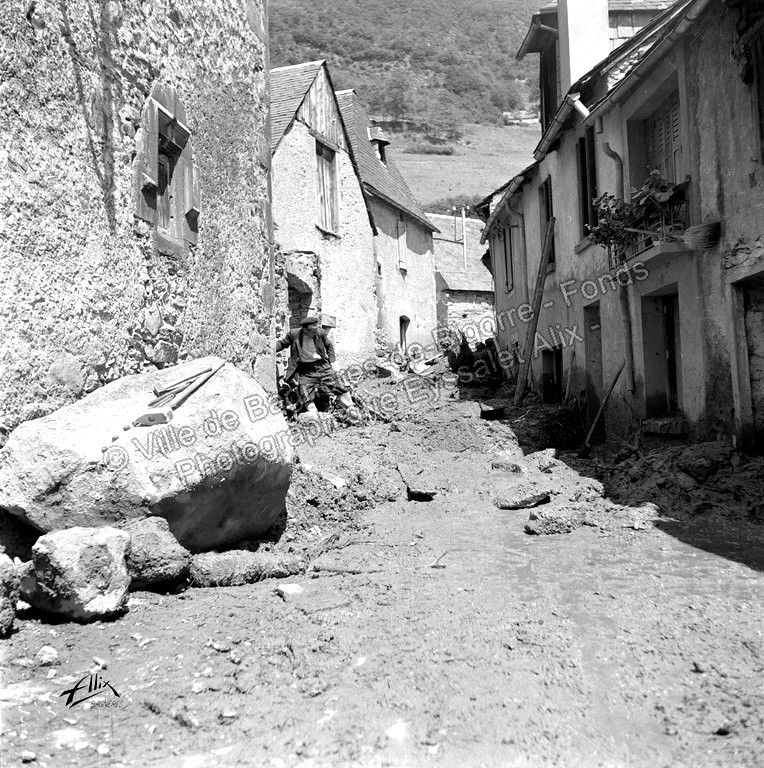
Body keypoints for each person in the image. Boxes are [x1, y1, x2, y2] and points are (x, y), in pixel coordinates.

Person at [276, 316, 358, 420]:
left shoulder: (320, 333)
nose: (313, 332)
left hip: (322, 365)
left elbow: (329, 345)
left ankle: (351, 409)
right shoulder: (294, 334)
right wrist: (270, 349)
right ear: (304, 329)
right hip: (305, 369)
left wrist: (333, 361)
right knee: (304, 388)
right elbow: (282, 344)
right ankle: (313, 414)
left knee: (337, 383)